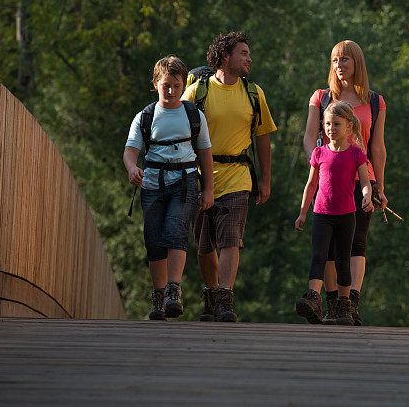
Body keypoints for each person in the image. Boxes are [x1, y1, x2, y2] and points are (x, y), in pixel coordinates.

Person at [183, 31, 277, 322]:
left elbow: (262, 137)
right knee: (203, 245)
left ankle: (224, 298)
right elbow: (178, 128)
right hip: (200, 177)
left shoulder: (253, 93)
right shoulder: (198, 91)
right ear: (225, 56)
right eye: (243, 53)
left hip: (238, 175)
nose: (249, 58)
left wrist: (265, 179)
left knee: (231, 239)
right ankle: (211, 295)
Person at [302, 40, 387, 326]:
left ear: (357, 63)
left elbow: (377, 147)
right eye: (335, 60)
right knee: (326, 246)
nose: (340, 66)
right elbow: (309, 136)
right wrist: (317, 166)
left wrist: (379, 188)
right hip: (329, 179)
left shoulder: (375, 101)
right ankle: (331, 302)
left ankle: (350, 304)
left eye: (346, 60)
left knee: (356, 244)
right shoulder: (320, 98)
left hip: (362, 180)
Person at [123, 56, 214, 320]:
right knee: (153, 241)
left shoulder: (193, 115)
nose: (172, 91)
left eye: (176, 85)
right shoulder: (145, 116)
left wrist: (208, 190)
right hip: (151, 186)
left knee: (176, 232)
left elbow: (205, 154)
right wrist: (132, 168)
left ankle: (174, 290)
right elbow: (130, 151)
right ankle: (158, 296)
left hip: (185, 183)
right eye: (166, 86)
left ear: (184, 84)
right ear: (155, 85)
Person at [295, 101, 373, 325]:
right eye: (327, 124)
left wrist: (367, 195)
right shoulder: (319, 153)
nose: (331, 128)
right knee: (319, 255)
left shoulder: (356, 154)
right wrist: (302, 213)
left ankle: (344, 306)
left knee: (342, 260)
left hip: (347, 215)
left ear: (349, 127)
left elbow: (365, 183)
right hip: (321, 214)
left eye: (336, 124)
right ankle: (313, 298)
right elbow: (311, 185)